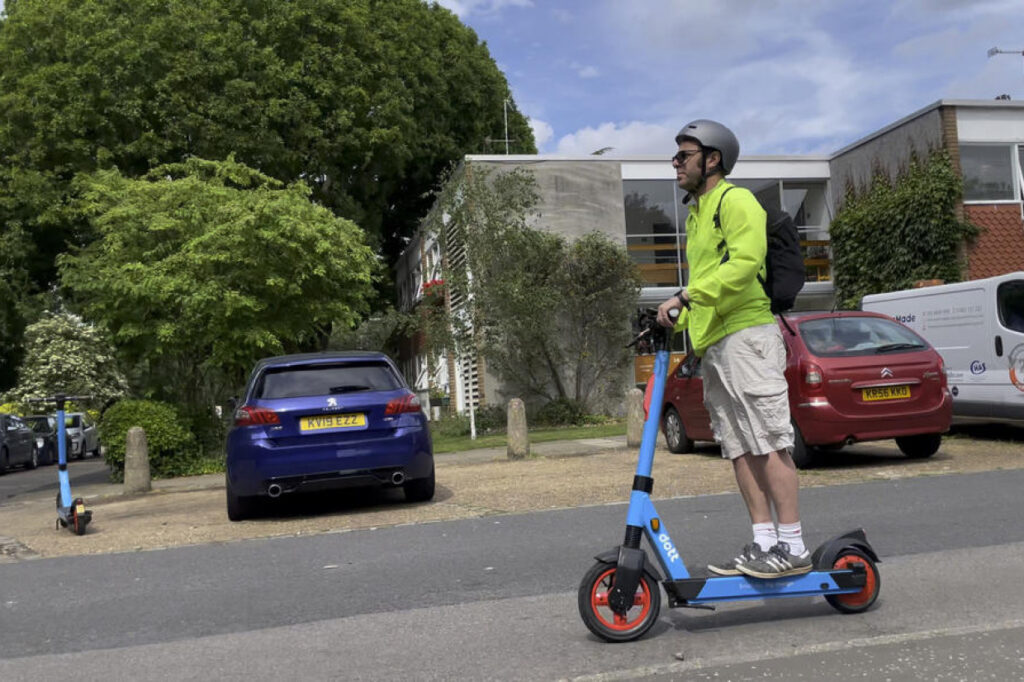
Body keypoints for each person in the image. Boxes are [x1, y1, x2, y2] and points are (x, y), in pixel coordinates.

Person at [656, 119, 811, 579]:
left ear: (712, 159)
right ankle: (764, 542)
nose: (676, 163)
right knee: (738, 447)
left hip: (748, 335)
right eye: (676, 156)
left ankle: (793, 545)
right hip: (717, 344)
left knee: (769, 442)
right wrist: (680, 315)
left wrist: (685, 296)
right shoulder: (697, 214)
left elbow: (744, 265)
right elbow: (708, 283)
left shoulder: (735, 201)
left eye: (684, 155)